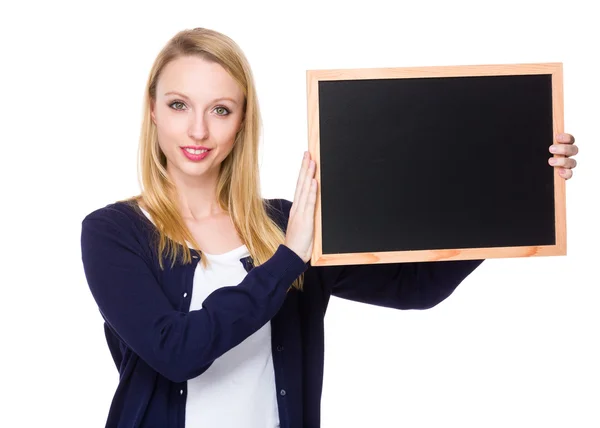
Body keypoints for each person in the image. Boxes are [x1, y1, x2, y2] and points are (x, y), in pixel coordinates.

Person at [80, 27, 580, 428]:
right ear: (152, 109)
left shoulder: (287, 221)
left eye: (220, 110)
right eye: (178, 105)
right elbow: (178, 352)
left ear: (242, 121)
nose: (197, 131)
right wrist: (287, 261)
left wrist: (520, 190)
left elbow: (417, 287)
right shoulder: (113, 232)